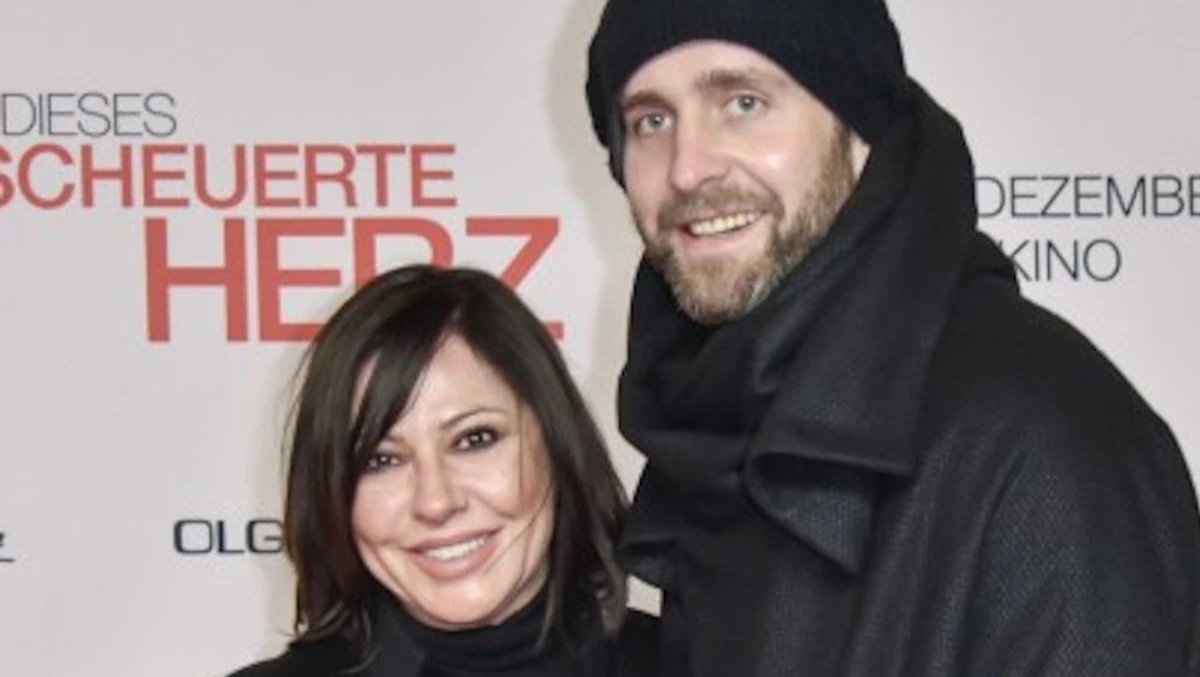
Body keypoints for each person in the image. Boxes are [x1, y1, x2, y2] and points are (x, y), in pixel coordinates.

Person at [582, 0, 1200, 675]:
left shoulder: (1043, 441)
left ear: (860, 124)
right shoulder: (707, 423)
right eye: (651, 120)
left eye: (743, 103)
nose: (687, 167)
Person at [227, 265, 657, 677]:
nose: (435, 502)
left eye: (475, 439)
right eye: (381, 460)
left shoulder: (685, 663)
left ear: (556, 442)